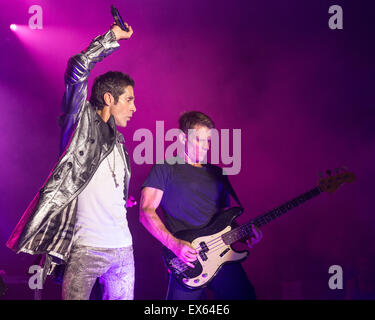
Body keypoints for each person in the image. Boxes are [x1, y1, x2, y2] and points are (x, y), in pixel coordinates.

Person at [6, 22, 137, 300]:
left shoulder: (119, 143)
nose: (134, 107)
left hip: (123, 249)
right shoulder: (78, 124)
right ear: (109, 98)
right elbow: (78, 67)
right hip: (86, 248)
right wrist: (111, 37)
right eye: (129, 99)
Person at [140, 111, 262, 300]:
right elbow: (146, 212)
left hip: (223, 258)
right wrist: (174, 244)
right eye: (199, 140)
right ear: (182, 138)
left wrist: (245, 236)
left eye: (208, 141)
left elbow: (223, 221)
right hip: (186, 262)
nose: (205, 147)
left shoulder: (217, 173)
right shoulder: (165, 168)